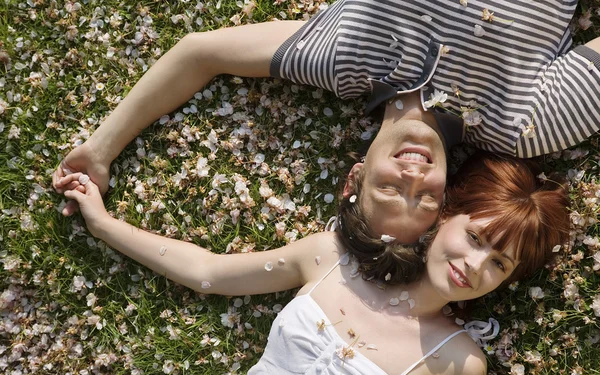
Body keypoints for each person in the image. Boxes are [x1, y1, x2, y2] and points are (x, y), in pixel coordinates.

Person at [52, 0, 600, 243]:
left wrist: (101, 149)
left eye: (388, 189)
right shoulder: (524, 124)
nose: (411, 178)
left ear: (356, 174)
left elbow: (199, 53)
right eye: (425, 199)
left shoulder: (336, 58)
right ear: (446, 194)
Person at [57, 151, 570, 375]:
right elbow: (207, 272)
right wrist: (103, 225)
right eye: (476, 238)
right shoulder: (330, 259)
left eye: (499, 264)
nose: (475, 267)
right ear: (443, 214)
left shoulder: (458, 364)